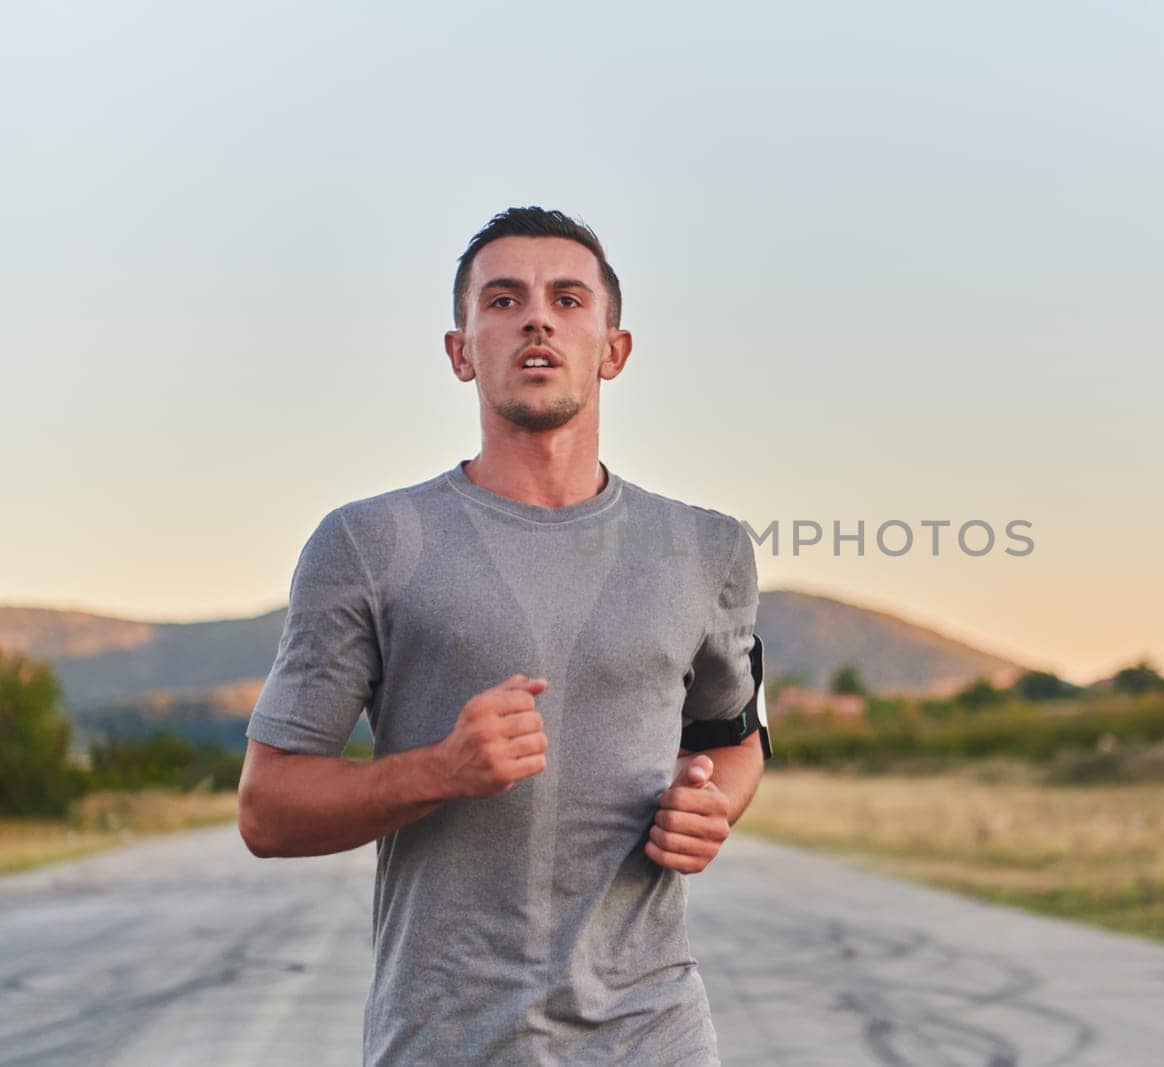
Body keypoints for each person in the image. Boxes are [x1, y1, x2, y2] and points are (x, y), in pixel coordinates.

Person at [237, 206, 770, 1065]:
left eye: (568, 299)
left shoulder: (709, 550)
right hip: (447, 1039)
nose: (537, 318)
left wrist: (711, 808)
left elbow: (734, 742)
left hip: (654, 1031)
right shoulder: (366, 544)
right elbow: (267, 809)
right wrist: (441, 770)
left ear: (614, 348)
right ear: (460, 351)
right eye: (502, 300)